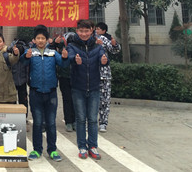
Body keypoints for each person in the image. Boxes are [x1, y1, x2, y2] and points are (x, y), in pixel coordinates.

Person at [21, 27, 68, 162]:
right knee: (37, 123)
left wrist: (65, 58)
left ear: (47, 40)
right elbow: (22, 63)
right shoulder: (30, 52)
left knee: (51, 123)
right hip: (35, 92)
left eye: (43, 38)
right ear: (34, 40)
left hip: (51, 93)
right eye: (38, 38)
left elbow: (63, 64)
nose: (40, 40)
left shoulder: (53, 53)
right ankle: (37, 150)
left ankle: (52, 150)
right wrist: (25, 57)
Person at [67, 19, 108, 160]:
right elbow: (69, 57)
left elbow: (104, 58)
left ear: (91, 31)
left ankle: (93, 146)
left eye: (86, 31)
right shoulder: (72, 45)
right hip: (78, 88)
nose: (83, 34)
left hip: (94, 88)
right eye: (81, 31)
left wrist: (104, 61)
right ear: (77, 31)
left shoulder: (97, 46)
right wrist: (75, 60)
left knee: (92, 119)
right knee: (80, 119)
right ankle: (82, 147)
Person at [95, 22, 121, 132]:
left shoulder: (104, 39)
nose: (96, 31)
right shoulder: (89, 39)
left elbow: (115, 50)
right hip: (90, 74)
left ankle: (103, 123)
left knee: (104, 101)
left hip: (104, 75)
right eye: (95, 29)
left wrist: (114, 44)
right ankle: (89, 122)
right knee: (90, 101)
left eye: (98, 29)